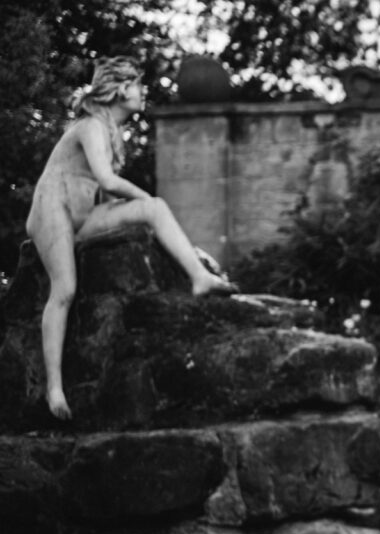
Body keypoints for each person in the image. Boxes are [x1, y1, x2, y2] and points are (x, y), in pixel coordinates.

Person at [25, 56, 236, 420]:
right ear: (120, 89)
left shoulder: (111, 132)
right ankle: (54, 388)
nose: (142, 93)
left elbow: (101, 193)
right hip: (51, 208)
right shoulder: (91, 125)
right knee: (65, 290)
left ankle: (199, 277)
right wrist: (138, 198)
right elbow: (107, 181)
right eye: (138, 85)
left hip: (83, 215)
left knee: (154, 208)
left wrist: (141, 208)